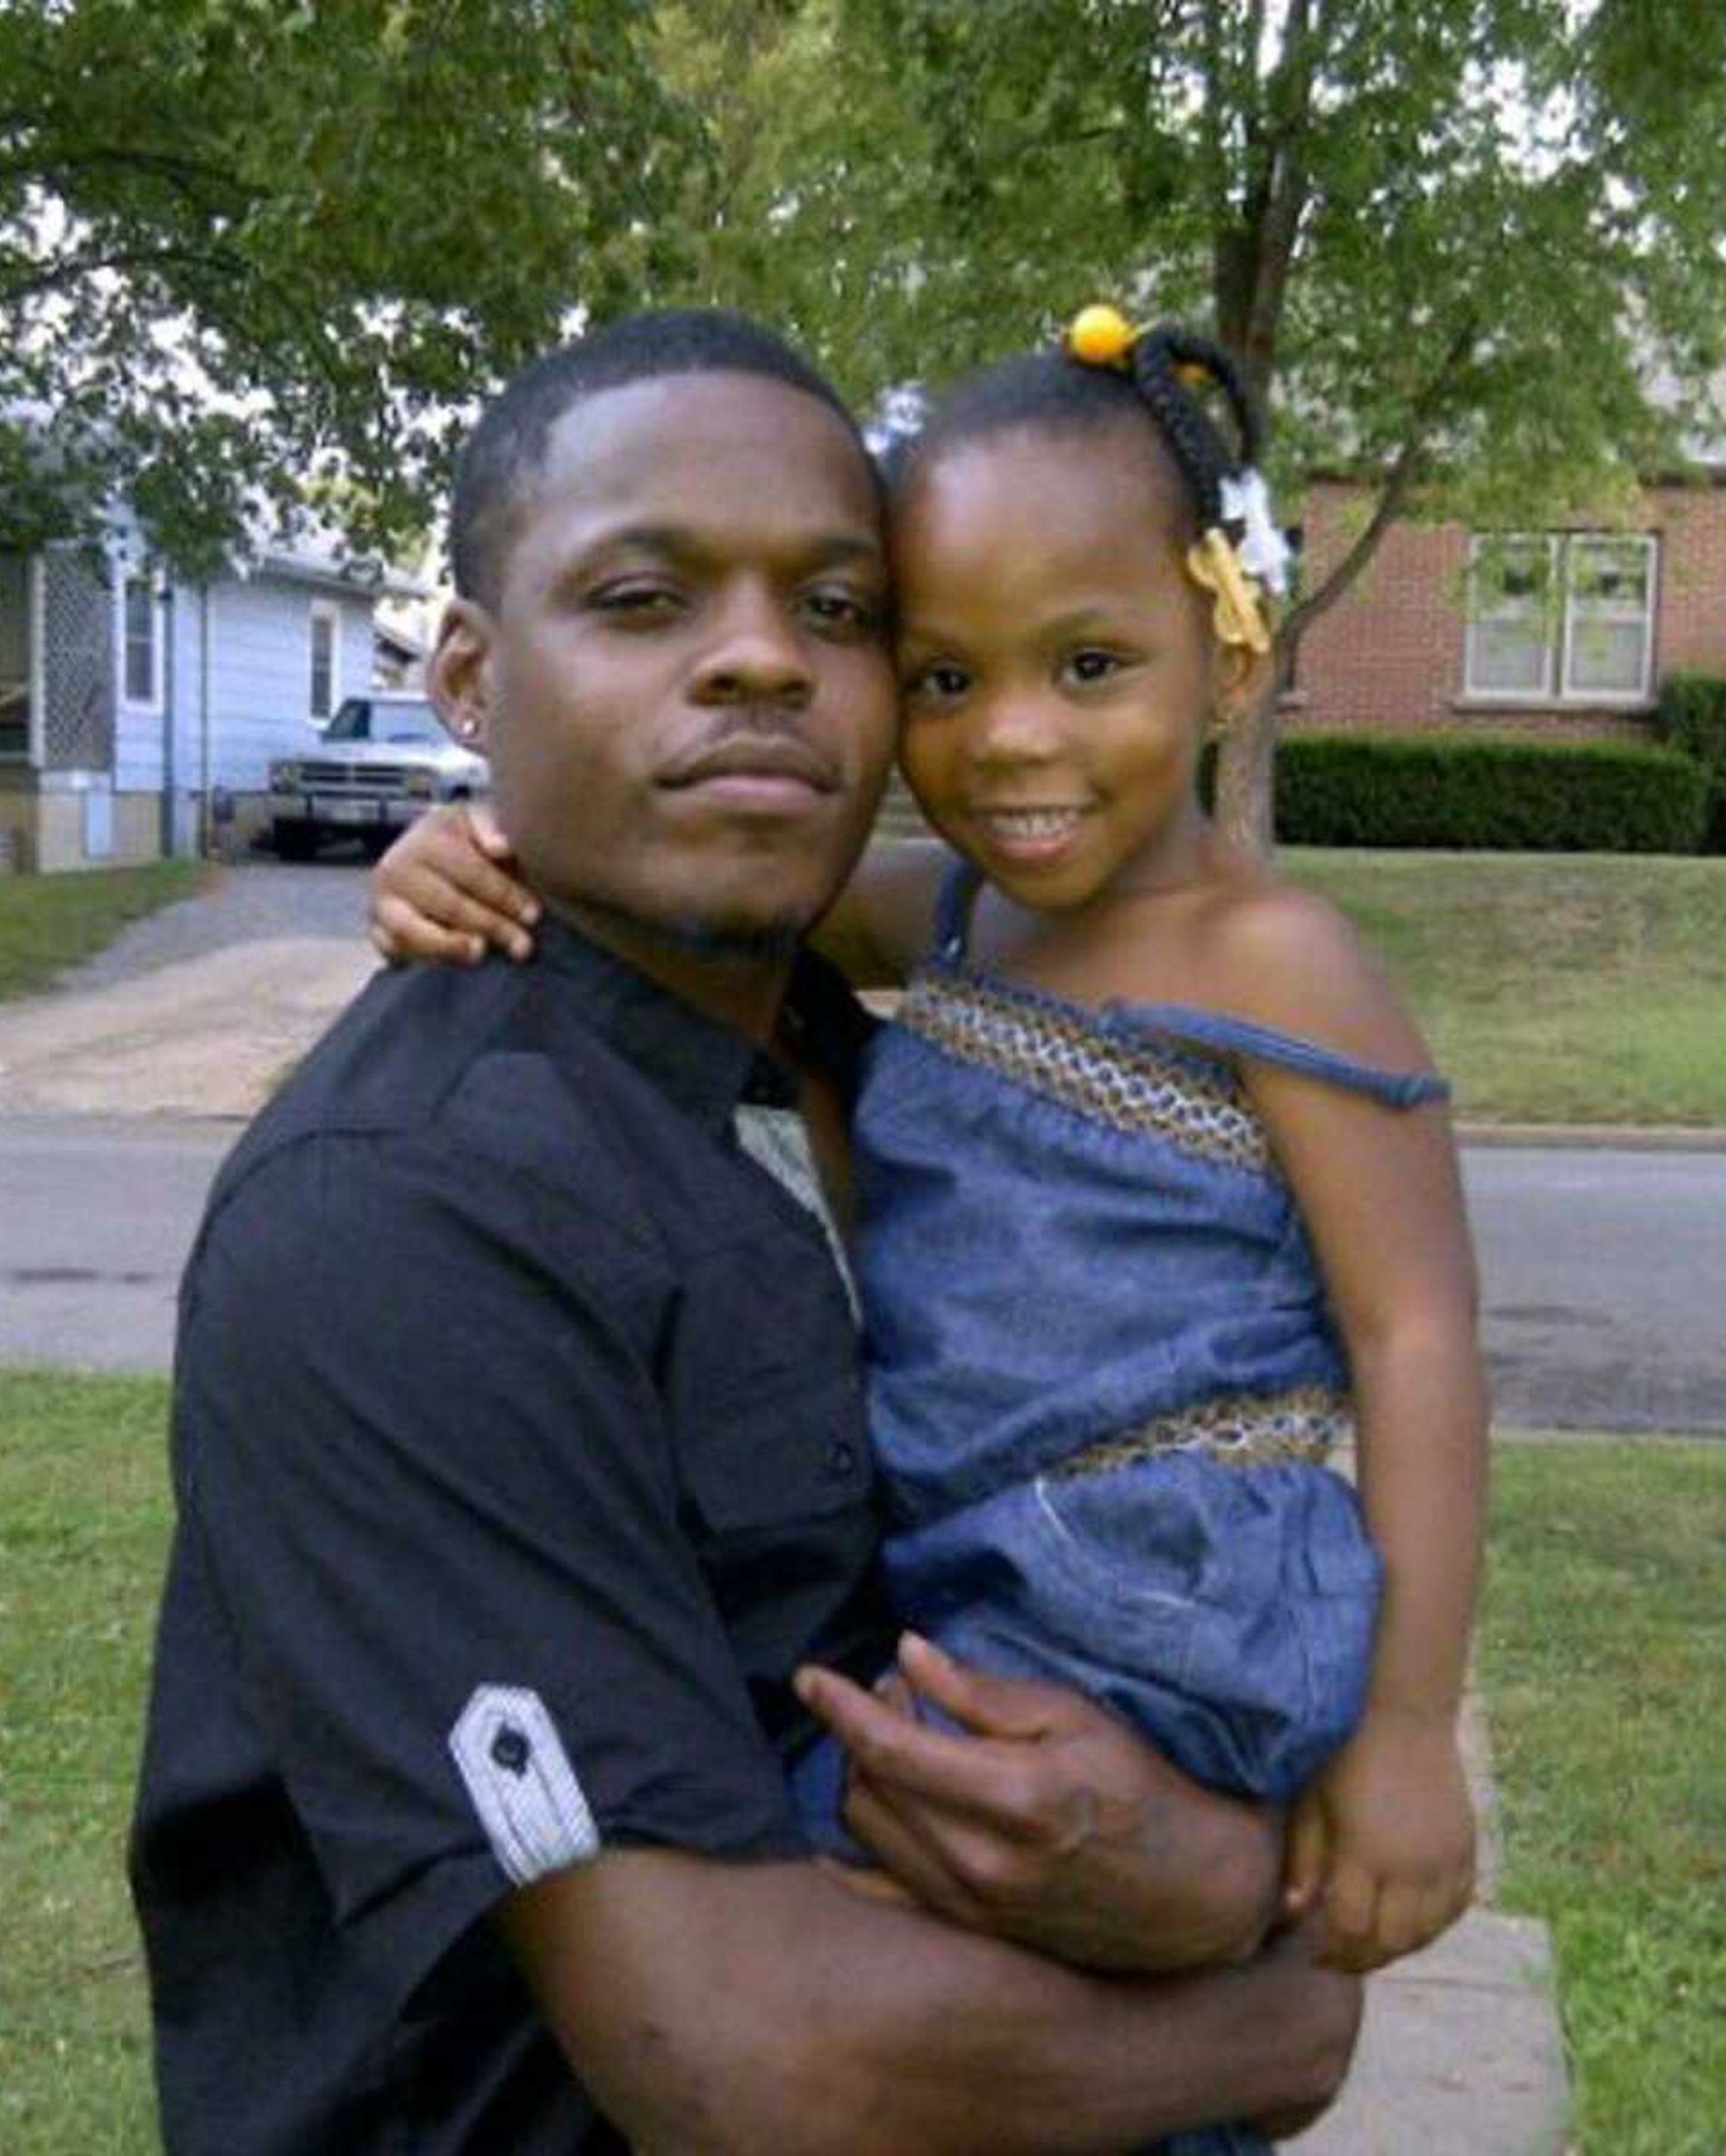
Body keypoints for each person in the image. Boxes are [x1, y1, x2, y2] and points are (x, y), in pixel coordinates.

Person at [130, 308, 1362, 2156]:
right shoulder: (399, 1223)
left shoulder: (868, 1073)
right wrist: (1274, 2026)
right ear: (468, 678)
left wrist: (1208, 1854)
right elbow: (738, 2056)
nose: (759, 667)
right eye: (643, 602)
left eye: (842, 613)